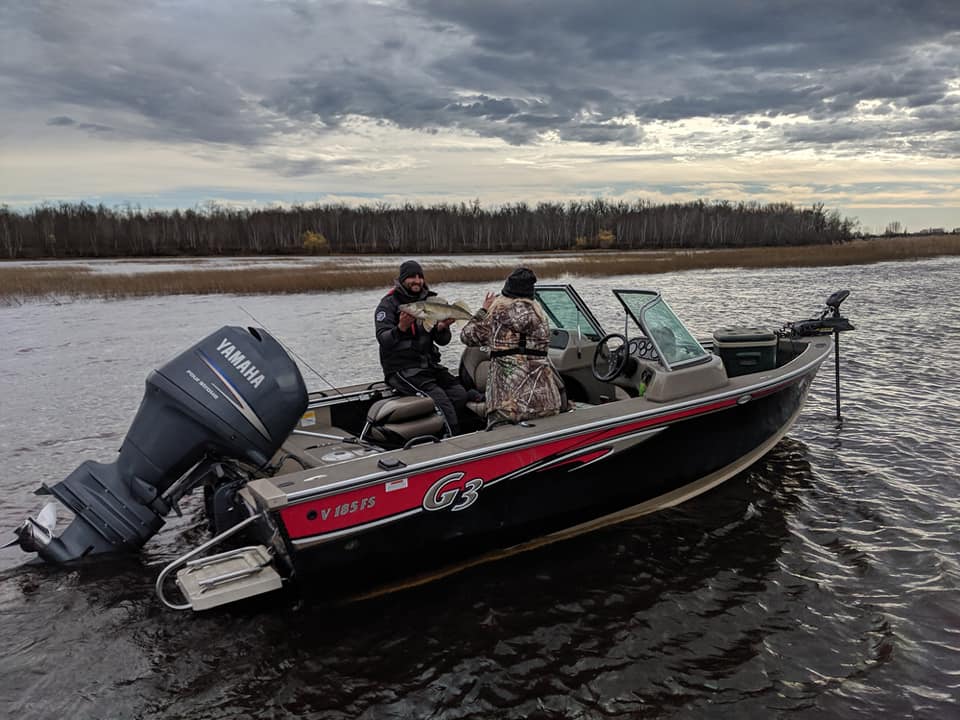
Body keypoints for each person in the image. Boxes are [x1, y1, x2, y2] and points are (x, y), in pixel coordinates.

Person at [374, 260, 476, 436]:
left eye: (419, 277)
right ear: (402, 280)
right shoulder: (388, 305)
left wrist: (442, 328)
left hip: (428, 367)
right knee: (441, 401)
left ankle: (438, 433)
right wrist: (401, 328)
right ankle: (454, 441)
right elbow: (384, 339)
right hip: (402, 370)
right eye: (412, 277)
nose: (417, 281)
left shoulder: (430, 300)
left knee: (459, 394)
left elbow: (443, 341)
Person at [460, 267, 564, 427]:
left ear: (507, 292)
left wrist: (483, 310)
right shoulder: (541, 318)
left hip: (507, 406)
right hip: (545, 400)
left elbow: (467, 335)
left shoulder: (496, 316)